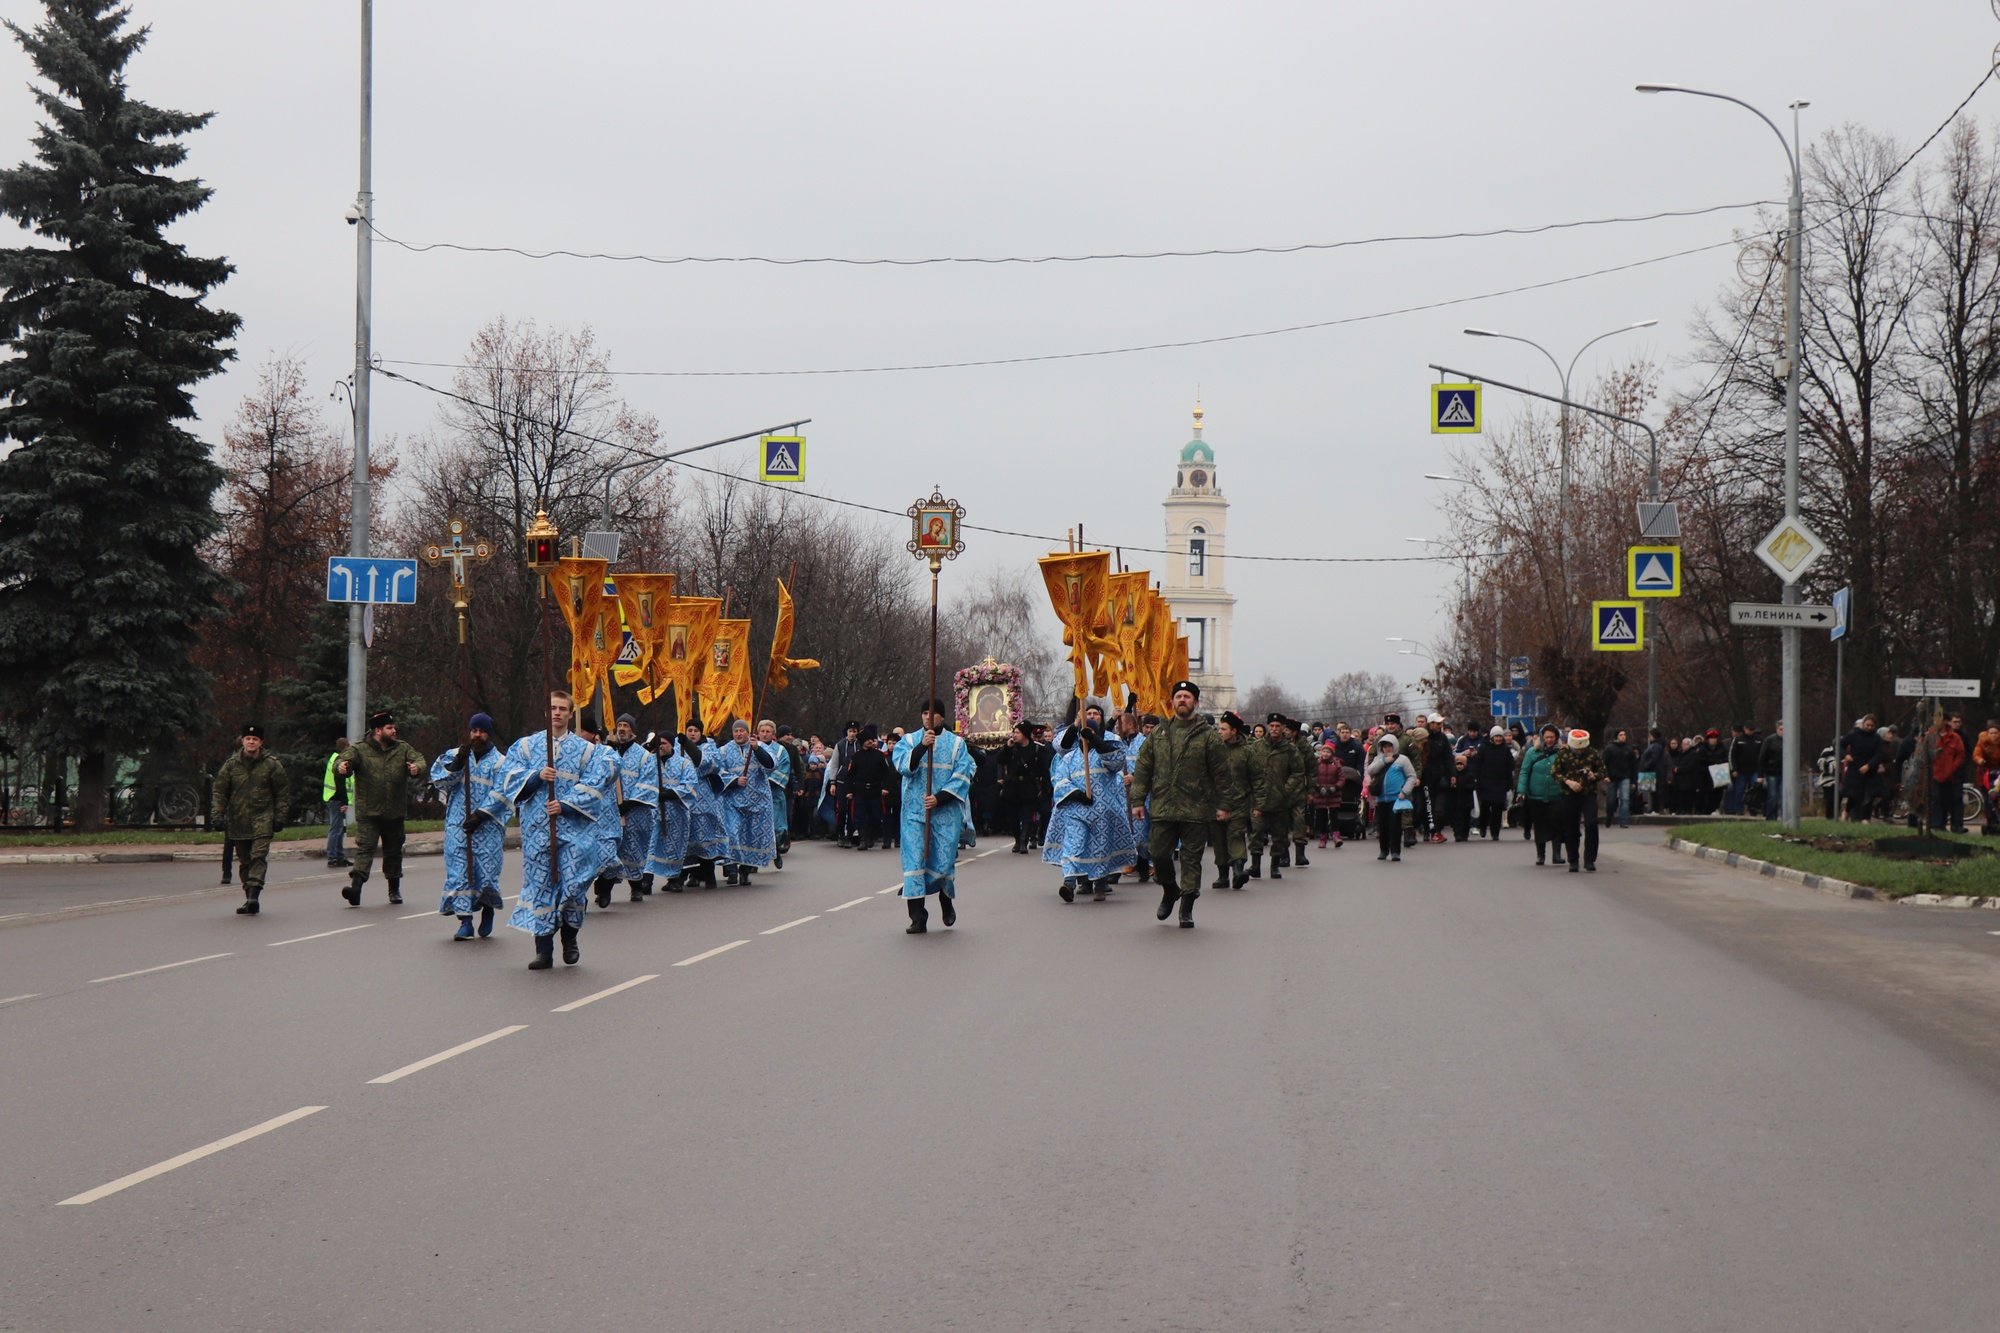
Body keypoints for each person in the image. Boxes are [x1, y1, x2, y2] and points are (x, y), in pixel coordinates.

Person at [486, 690, 615, 970]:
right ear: (547, 713)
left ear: (570, 714)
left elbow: (598, 782)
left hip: (575, 830)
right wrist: (535, 777)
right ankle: (543, 950)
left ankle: (569, 938)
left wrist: (566, 805)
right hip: (537, 829)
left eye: (562, 709)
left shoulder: (587, 750)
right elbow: (507, 777)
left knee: (573, 886)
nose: (557, 713)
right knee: (541, 887)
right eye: (553, 708)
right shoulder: (527, 747)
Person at [1129, 680, 1239, 929]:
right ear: (1172, 702)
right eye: (1178, 696)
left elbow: (1222, 774)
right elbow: (1144, 768)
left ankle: (1187, 906)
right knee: (1157, 853)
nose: (1182, 700)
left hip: (1196, 810)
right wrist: (1137, 799)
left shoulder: (1208, 737)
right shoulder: (1160, 733)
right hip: (1163, 808)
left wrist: (1224, 805)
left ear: (1195, 703)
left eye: (1187, 697)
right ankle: (1169, 889)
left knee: (1191, 859)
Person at [893, 699, 977, 934]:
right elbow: (901, 765)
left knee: (943, 861)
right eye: (924, 713)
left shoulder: (956, 744)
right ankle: (917, 916)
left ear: (941, 716)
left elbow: (963, 775)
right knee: (914, 863)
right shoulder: (909, 740)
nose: (928, 718)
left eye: (933, 714)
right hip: (914, 813)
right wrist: (921, 746)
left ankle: (945, 897)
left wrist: (939, 798)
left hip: (944, 812)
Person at [1046, 698, 1134, 902]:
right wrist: (1075, 794)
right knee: (1073, 843)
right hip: (1077, 809)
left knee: (1100, 847)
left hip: (1102, 810)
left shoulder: (1107, 747)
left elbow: (1116, 762)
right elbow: (1060, 779)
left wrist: (1096, 742)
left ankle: (1100, 883)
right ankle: (1069, 882)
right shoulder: (1069, 757)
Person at [336, 710, 426, 907]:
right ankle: (356, 889)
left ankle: (394, 890)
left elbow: (420, 759)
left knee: (393, 851)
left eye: (394, 727)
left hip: (394, 812)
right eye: (389, 728)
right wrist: (342, 766)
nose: (394, 731)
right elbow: (342, 761)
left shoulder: (402, 748)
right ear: (378, 730)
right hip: (369, 812)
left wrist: (416, 768)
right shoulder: (360, 749)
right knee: (365, 849)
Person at [431, 713, 507, 939]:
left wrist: (483, 814)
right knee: (459, 872)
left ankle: (487, 908)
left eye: (482, 731)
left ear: (489, 734)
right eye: (474, 730)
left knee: (486, 873)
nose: (477, 735)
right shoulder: (456, 755)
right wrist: (456, 765)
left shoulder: (501, 762)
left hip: (488, 825)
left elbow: (504, 793)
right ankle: (465, 921)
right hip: (458, 823)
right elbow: (438, 779)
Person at [212, 724, 289, 916]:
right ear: (243, 741)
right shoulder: (231, 765)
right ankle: (249, 898)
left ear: (261, 742)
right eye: (248, 739)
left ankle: (254, 895)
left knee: (258, 857)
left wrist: (279, 817)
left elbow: (282, 793)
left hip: (263, 818)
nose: (251, 742)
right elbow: (220, 792)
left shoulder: (272, 764)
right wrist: (217, 814)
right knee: (245, 861)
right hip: (238, 820)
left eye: (255, 739)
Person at [715, 718, 777, 885]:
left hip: (758, 801)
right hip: (732, 801)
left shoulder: (760, 746)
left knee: (752, 836)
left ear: (748, 732)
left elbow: (771, 764)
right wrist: (735, 781)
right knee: (731, 833)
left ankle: (745, 871)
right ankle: (732, 869)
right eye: (736, 731)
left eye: (742, 730)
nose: (738, 733)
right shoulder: (723, 751)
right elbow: (717, 772)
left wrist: (756, 749)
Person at [1249, 714, 1302, 879]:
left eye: (1277, 726)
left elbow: (1298, 772)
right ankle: (1255, 865)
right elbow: (1248, 770)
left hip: (1280, 800)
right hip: (1259, 798)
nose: (1274, 729)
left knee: (1279, 835)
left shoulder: (1290, 749)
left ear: (1283, 728)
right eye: (1271, 726)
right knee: (1256, 832)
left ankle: (1275, 865)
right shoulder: (1257, 747)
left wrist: (1286, 789)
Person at [645, 730, 699, 890]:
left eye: (663, 744)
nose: (660, 747)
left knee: (674, 846)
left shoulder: (684, 763)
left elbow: (690, 785)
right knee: (651, 845)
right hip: (654, 811)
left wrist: (670, 794)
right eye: (658, 744)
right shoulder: (650, 761)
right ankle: (646, 880)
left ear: (671, 745)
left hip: (677, 811)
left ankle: (674, 879)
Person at [1551, 728, 1607, 873]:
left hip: (1588, 794)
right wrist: (1568, 782)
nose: (1580, 752)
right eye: (1577, 749)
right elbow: (1555, 773)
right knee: (1571, 827)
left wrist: (1594, 776)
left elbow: (1602, 771)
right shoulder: (1563, 754)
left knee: (1591, 824)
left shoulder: (1593, 753)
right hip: (1569, 795)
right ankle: (1573, 860)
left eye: (1582, 749)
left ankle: (1589, 859)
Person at [679, 720, 726, 888]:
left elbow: (707, 765)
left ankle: (709, 874)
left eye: (695, 730)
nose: (692, 733)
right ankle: (686, 876)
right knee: (686, 838)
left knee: (704, 836)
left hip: (704, 796)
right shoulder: (679, 747)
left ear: (701, 732)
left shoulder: (709, 746)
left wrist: (689, 747)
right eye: (689, 730)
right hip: (684, 798)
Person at [1210, 711, 1254, 888]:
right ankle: (1223, 875)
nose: (1219, 732)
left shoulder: (1246, 752)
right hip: (1215, 802)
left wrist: (1258, 803)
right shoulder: (1213, 750)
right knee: (1219, 839)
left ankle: (1238, 871)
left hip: (1239, 803)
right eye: (1219, 729)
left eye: (1223, 729)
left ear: (1234, 731)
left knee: (1236, 835)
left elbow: (1257, 777)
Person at [1516, 726, 1565, 866]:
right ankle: (1540, 855)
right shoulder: (1532, 752)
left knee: (1557, 823)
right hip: (1536, 795)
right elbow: (1524, 772)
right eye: (1547, 737)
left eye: (1552, 737)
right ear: (1542, 737)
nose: (1549, 740)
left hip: (1556, 794)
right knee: (1539, 824)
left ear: (1556, 737)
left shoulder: (1562, 752)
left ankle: (1557, 854)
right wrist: (1521, 791)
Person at [1364, 734, 1416, 862]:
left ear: (1395, 746)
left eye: (1390, 746)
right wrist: (1383, 761)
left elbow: (1411, 776)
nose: (1387, 749)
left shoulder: (1402, 760)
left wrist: (1405, 792)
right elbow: (1370, 770)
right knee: (1383, 826)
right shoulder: (1378, 759)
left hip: (1396, 799)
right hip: (1381, 799)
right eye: (1385, 746)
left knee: (1395, 826)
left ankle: (1395, 851)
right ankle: (1383, 850)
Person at [757, 720, 793, 868]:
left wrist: (766, 781)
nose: (765, 734)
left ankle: (776, 850)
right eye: (762, 731)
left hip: (773, 792)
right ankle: (753, 859)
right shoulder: (752, 748)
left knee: (775, 825)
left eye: (768, 731)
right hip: (756, 794)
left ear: (773, 734)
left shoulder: (780, 751)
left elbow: (783, 770)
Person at [1471, 726, 1516, 840]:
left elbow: (1510, 766)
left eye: (1500, 737)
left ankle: (1495, 833)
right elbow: (1477, 765)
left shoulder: (1505, 749)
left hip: (1500, 782)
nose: (1498, 739)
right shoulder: (1484, 748)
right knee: (1485, 807)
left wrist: (1509, 784)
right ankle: (1482, 826)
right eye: (1496, 736)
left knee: (1497, 809)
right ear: (1492, 737)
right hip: (1485, 782)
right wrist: (1477, 780)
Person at [1840, 715, 1882, 823]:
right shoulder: (1854, 735)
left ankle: (1865, 819)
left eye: (1872, 726)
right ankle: (1846, 813)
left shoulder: (1876, 738)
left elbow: (1878, 755)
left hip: (1869, 771)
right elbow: (1840, 745)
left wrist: (1869, 765)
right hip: (1855, 769)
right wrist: (1845, 755)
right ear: (1863, 724)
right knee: (1853, 794)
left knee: (1869, 795)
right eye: (1867, 725)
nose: (1869, 727)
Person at [1308, 739, 1345, 850]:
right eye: (1324, 751)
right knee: (1321, 817)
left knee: (1334, 816)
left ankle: (1336, 836)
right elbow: (1312, 777)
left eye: (1328, 752)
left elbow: (1342, 778)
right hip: (1320, 794)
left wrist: (1335, 787)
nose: (1325, 754)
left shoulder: (1337, 764)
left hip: (1334, 794)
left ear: (1332, 753)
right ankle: (1323, 837)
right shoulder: (1316, 763)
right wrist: (1318, 787)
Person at [322, 737, 351, 868]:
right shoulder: (340, 761)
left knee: (340, 829)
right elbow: (340, 783)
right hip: (337, 799)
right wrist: (344, 802)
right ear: (347, 746)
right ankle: (333, 857)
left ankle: (339, 856)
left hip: (333, 798)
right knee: (336, 829)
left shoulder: (333, 758)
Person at [1602, 728, 1636, 829]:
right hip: (1612, 778)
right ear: (1617, 736)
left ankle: (1624, 821)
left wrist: (1633, 781)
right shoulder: (1610, 749)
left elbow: (1633, 766)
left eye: (1624, 735)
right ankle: (1609, 816)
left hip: (1625, 777)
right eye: (1621, 735)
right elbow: (1604, 764)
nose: (1623, 737)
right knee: (1611, 800)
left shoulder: (1629, 749)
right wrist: (1605, 775)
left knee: (1625, 799)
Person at [1756, 720, 1785, 821]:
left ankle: (1784, 817)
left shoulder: (1790, 741)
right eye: (1781, 729)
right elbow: (1762, 758)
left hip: (1784, 773)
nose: (1783, 731)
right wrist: (1760, 775)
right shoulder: (1769, 740)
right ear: (1777, 729)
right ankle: (1771, 817)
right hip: (1771, 772)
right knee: (1772, 796)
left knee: (1783, 796)